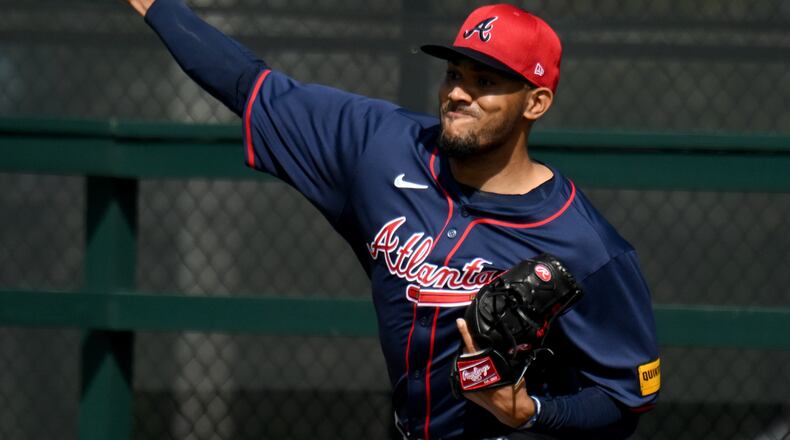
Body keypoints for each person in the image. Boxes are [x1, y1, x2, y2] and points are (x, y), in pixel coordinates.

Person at [124, 1, 661, 438]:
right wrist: (159, 7)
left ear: (536, 102)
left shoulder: (585, 245)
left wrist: (532, 412)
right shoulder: (383, 148)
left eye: (484, 81)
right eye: (454, 73)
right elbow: (250, 85)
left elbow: (627, 395)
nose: (457, 93)